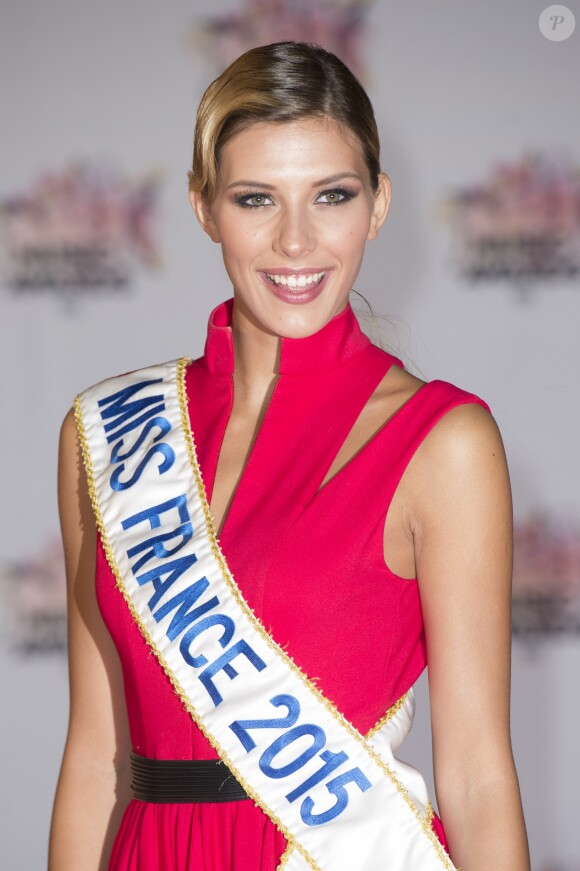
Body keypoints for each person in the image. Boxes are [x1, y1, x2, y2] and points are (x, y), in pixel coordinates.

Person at [49, 41, 530, 871]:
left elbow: (479, 774)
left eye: (332, 197)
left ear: (377, 204)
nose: (297, 241)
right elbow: (97, 755)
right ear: (205, 209)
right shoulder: (108, 431)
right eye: (256, 199)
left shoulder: (444, 443)